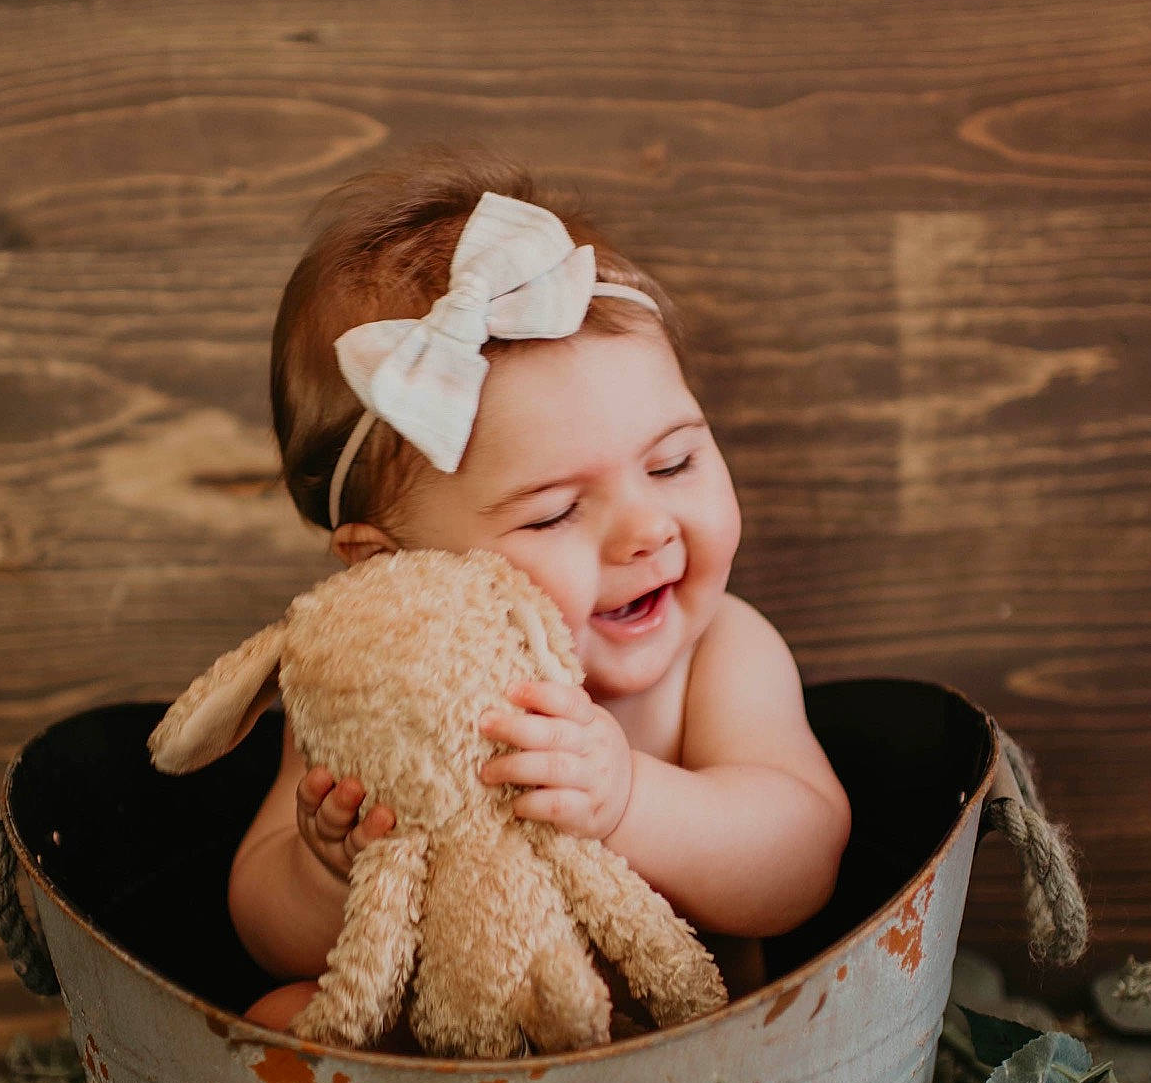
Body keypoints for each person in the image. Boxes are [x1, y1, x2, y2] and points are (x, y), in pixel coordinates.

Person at [230, 154, 850, 1030]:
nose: (646, 529)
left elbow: (801, 863)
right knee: (278, 1017)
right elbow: (262, 925)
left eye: (673, 461)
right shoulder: (374, 690)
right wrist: (327, 871)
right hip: (446, 1040)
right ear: (388, 565)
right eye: (556, 513)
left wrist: (630, 800)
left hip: (673, 1048)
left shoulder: (722, 651)